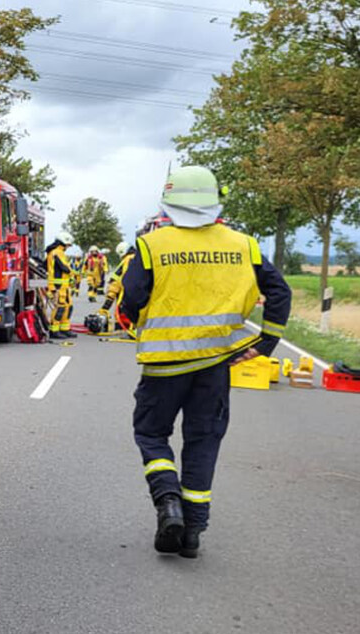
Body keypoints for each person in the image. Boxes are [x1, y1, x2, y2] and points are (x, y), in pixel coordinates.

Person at [120, 166, 291, 558]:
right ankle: (193, 531)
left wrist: (140, 322)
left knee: (151, 434)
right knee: (203, 441)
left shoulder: (151, 245)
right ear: (216, 200)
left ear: (170, 201)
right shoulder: (245, 245)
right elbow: (279, 292)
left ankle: (168, 504)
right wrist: (265, 344)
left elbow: (131, 300)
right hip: (216, 366)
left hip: (164, 367)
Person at [45, 232, 78, 340]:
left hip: (64, 286)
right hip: (57, 286)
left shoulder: (59, 252)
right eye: (68, 245)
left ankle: (65, 328)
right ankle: (54, 330)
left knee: (68, 307)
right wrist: (74, 273)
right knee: (60, 308)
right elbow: (64, 268)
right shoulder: (57, 252)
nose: (68, 247)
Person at [100, 241, 137, 332]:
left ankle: (125, 326)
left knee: (124, 308)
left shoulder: (128, 260)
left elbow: (117, 277)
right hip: (137, 289)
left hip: (127, 291)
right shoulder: (137, 258)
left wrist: (109, 298)